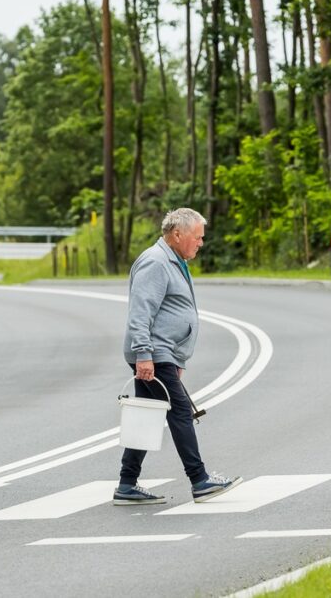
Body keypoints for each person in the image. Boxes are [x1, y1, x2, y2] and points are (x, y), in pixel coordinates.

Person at [113, 207, 242, 505]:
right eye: (197, 237)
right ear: (177, 234)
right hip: (153, 351)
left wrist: (177, 359)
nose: (201, 243)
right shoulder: (155, 262)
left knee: (148, 413)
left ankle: (127, 484)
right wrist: (145, 355)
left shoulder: (173, 261)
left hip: (162, 353)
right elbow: (140, 313)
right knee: (180, 411)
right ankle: (200, 480)